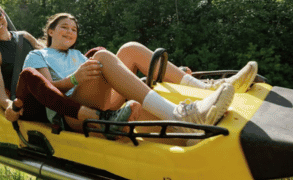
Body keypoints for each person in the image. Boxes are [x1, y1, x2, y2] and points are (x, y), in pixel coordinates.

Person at [23, 13, 258, 128]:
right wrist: (74, 78)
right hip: (73, 112)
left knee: (130, 49)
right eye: (64, 27)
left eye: (74, 29)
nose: (70, 32)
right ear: (50, 31)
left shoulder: (76, 54)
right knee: (103, 56)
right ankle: (177, 114)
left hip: (99, 102)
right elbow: (47, 90)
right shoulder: (38, 55)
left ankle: (205, 88)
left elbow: (108, 79)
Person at [0, 0, 141, 130]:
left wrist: (74, 57)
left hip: (48, 90)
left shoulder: (24, 36)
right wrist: (10, 106)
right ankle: (101, 117)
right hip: (28, 98)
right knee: (31, 75)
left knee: (98, 53)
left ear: (3, 15)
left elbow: (49, 53)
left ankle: (127, 88)